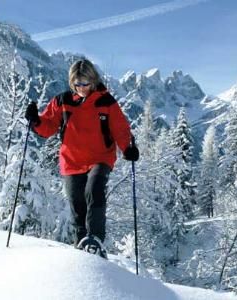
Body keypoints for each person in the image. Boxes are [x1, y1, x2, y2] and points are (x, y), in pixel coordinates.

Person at [25, 59, 139, 257]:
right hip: (72, 161)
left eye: (86, 83)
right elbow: (48, 125)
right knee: (77, 204)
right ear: (72, 82)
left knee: (94, 190)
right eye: (78, 84)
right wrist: (35, 120)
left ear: (93, 81)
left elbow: (120, 128)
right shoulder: (62, 101)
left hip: (100, 158)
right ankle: (82, 246)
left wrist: (128, 148)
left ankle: (95, 240)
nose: (82, 88)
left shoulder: (106, 102)